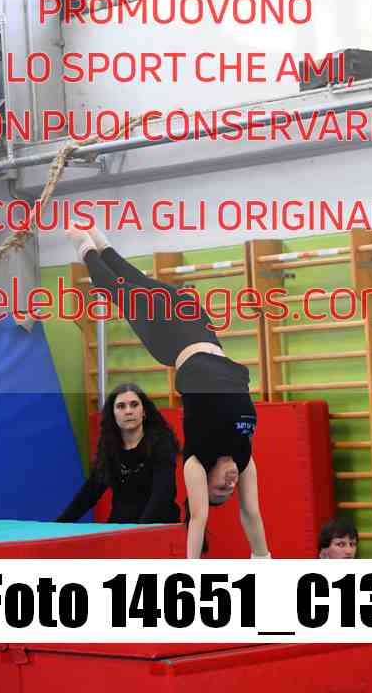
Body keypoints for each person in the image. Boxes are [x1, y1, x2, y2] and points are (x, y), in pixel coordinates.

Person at [66, 223, 271, 560]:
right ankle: (98, 241)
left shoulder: (196, 458)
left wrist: (190, 568)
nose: (229, 483)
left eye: (219, 488)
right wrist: (263, 559)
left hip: (171, 340)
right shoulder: (243, 456)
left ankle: (86, 243)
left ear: (204, 479)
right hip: (197, 326)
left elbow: (198, 518)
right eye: (228, 490)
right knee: (135, 282)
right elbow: (251, 512)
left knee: (122, 286)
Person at [57, 383, 180, 524]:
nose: (128, 411)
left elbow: (162, 495)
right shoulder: (109, 447)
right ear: (113, 414)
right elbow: (90, 492)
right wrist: (59, 525)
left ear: (144, 411)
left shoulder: (161, 444)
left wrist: (139, 531)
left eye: (134, 405)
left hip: (158, 526)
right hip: (120, 526)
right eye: (121, 406)